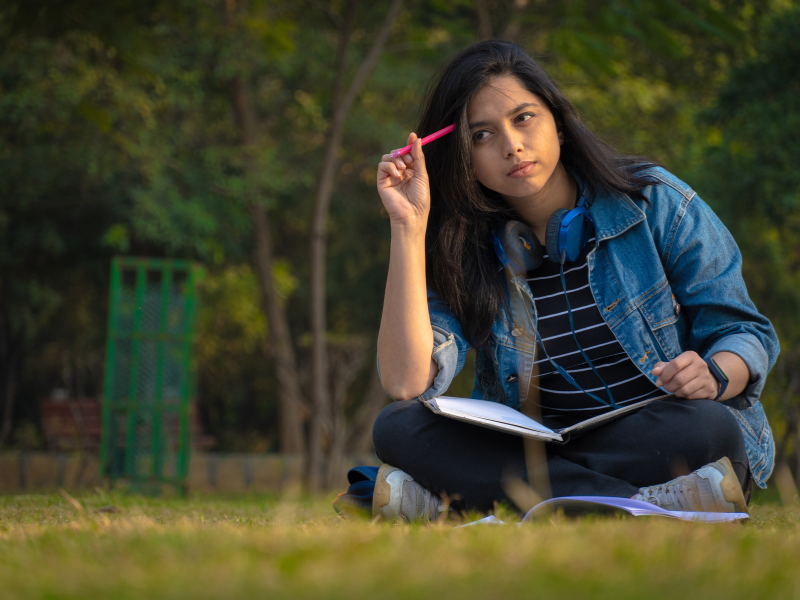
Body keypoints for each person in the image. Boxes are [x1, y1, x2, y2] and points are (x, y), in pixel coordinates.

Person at [371, 40, 779, 523]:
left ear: (558, 122)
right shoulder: (462, 248)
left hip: (655, 432)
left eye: (523, 118)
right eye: (481, 135)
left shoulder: (654, 203)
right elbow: (405, 382)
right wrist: (409, 228)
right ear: (463, 155)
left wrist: (713, 374)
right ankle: (648, 505)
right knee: (397, 427)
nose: (511, 146)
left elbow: (746, 334)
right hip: (536, 444)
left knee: (710, 427)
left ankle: (465, 503)